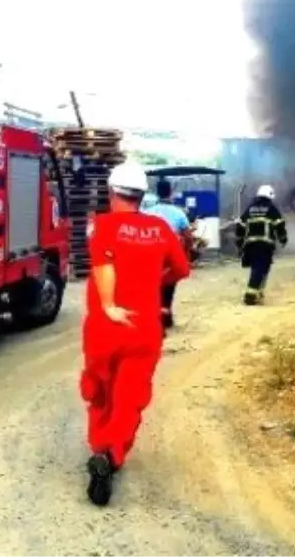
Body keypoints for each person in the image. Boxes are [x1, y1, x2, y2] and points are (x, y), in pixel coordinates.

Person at [81, 161, 191, 507]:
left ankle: (100, 445)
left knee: (100, 389)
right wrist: (152, 283)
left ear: (112, 193)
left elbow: (103, 266)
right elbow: (182, 269)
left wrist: (112, 303)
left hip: (105, 327)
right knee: (129, 396)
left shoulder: (102, 226)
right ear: (142, 196)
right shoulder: (160, 228)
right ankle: (112, 455)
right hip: (143, 328)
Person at [141, 178, 192, 330]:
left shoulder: (146, 213)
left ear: (157, 193)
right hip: (168, 254)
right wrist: (188, 251)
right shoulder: (178, 213)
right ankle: (165, 315)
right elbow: (188, 236)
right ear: (170, 192)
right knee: (169, 284)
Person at [235, 184, 288, 305]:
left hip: (250, 244)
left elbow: (241, 226)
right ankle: (250, 294)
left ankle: (258, 292)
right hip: (265, 244)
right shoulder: (271, 208)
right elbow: (279, 224)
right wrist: (283, 238)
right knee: (261, 268)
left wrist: (239, 242)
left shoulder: (250, 208)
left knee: (259, 268)